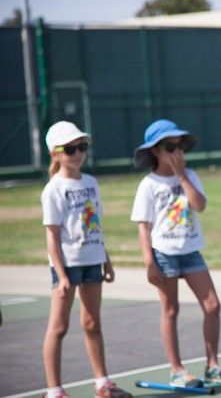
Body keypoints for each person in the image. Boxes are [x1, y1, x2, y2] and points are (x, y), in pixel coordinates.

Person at [130, 119, 221, 388]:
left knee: (212, 305)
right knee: (170, 309)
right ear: (156, 151)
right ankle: (177, 370)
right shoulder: (149, 185)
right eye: (170, 147)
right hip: (164, 253)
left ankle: (213, 366)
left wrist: (181, 175)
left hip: (191, 251)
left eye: (180, 146)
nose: (177, 152)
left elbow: (200, 205)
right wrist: (149, 263)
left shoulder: (190, 176)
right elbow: (143, 228)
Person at [41, 121, 132, 398]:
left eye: (82, 146)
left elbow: (95, 226)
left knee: (92, 323)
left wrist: (107, 259)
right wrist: (62, 275)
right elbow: (52, 236)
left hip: (93, 261)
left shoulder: (91, 183)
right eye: (70, 149)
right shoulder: (54, 189)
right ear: (55, 154)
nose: (78, 153)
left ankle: (102, 383)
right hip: (67, 265)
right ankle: (54, 390)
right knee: (59, 326)